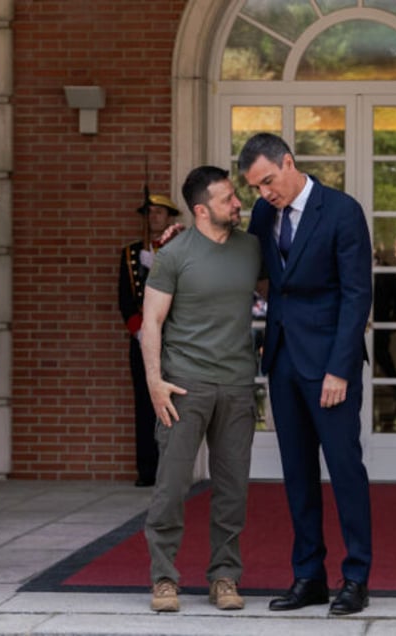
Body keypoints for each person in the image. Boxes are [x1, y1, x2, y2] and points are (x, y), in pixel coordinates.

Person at [239, 133, 373, 616]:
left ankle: (355, 577)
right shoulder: (261, 215)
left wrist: (340, 369)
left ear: (289, 162)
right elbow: (243, 264)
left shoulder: (342, 211)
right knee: (297, 474)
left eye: (268, 182)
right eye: (255, 187)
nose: (264, 194)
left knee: (344, 471)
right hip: (282, 360)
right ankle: (308, 576)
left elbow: (357, 294)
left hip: (330, 366)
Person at [141, 166, 261, 613]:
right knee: (171, 487)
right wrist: (155, 383)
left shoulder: (251, 248)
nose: (237, 203)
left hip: (237, 386)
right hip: (183, 387)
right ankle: (164, 579)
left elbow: (282, 291)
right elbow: (151, 322)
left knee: (232, 490)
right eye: (228, 198)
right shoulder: (174, 253)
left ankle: (225, 577)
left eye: (234, 195)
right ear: (201, 210)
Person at [118, 192, 182, 487]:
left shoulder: (179, 249)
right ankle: (147, 469)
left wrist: (158, 261)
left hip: (175, 338)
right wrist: (141, 330)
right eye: (150, 212)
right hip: (144, 337)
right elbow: (125, 300)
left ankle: (173, 469)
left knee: (178, 402)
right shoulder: (131, 253)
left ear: (170, 217)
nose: (154, 217)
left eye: (160, 212)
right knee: (144, 404)